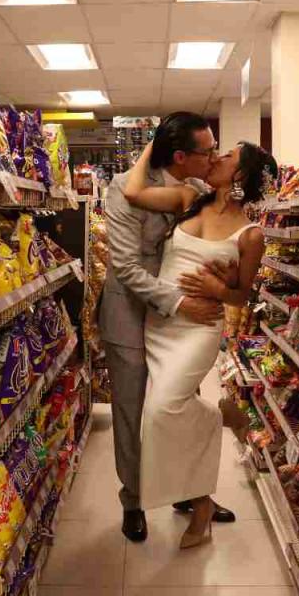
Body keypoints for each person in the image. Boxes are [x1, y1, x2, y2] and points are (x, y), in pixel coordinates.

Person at [123, 137, 276, 549]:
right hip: (161, 323)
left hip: (199, 329)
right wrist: (154, 143)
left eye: (227, 156)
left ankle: (216, 417)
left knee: (161, 411)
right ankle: (201, 502)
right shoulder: (189, 197)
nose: (216, 157)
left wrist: (215, 286)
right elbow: (133, 191)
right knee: (169, 416)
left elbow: (243, 294)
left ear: (240, 174)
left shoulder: (251, 234)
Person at [99, 112, 236, 545]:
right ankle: (134, 500)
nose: (214, 155)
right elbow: (125, 267)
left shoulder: (195, 190)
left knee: (180, 402)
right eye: (208, 150)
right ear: (181, 156)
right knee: (133, 407)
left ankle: (190, 494)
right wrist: (181, 301)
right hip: (130, 310)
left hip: (179, 318)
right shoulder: (124, 189)